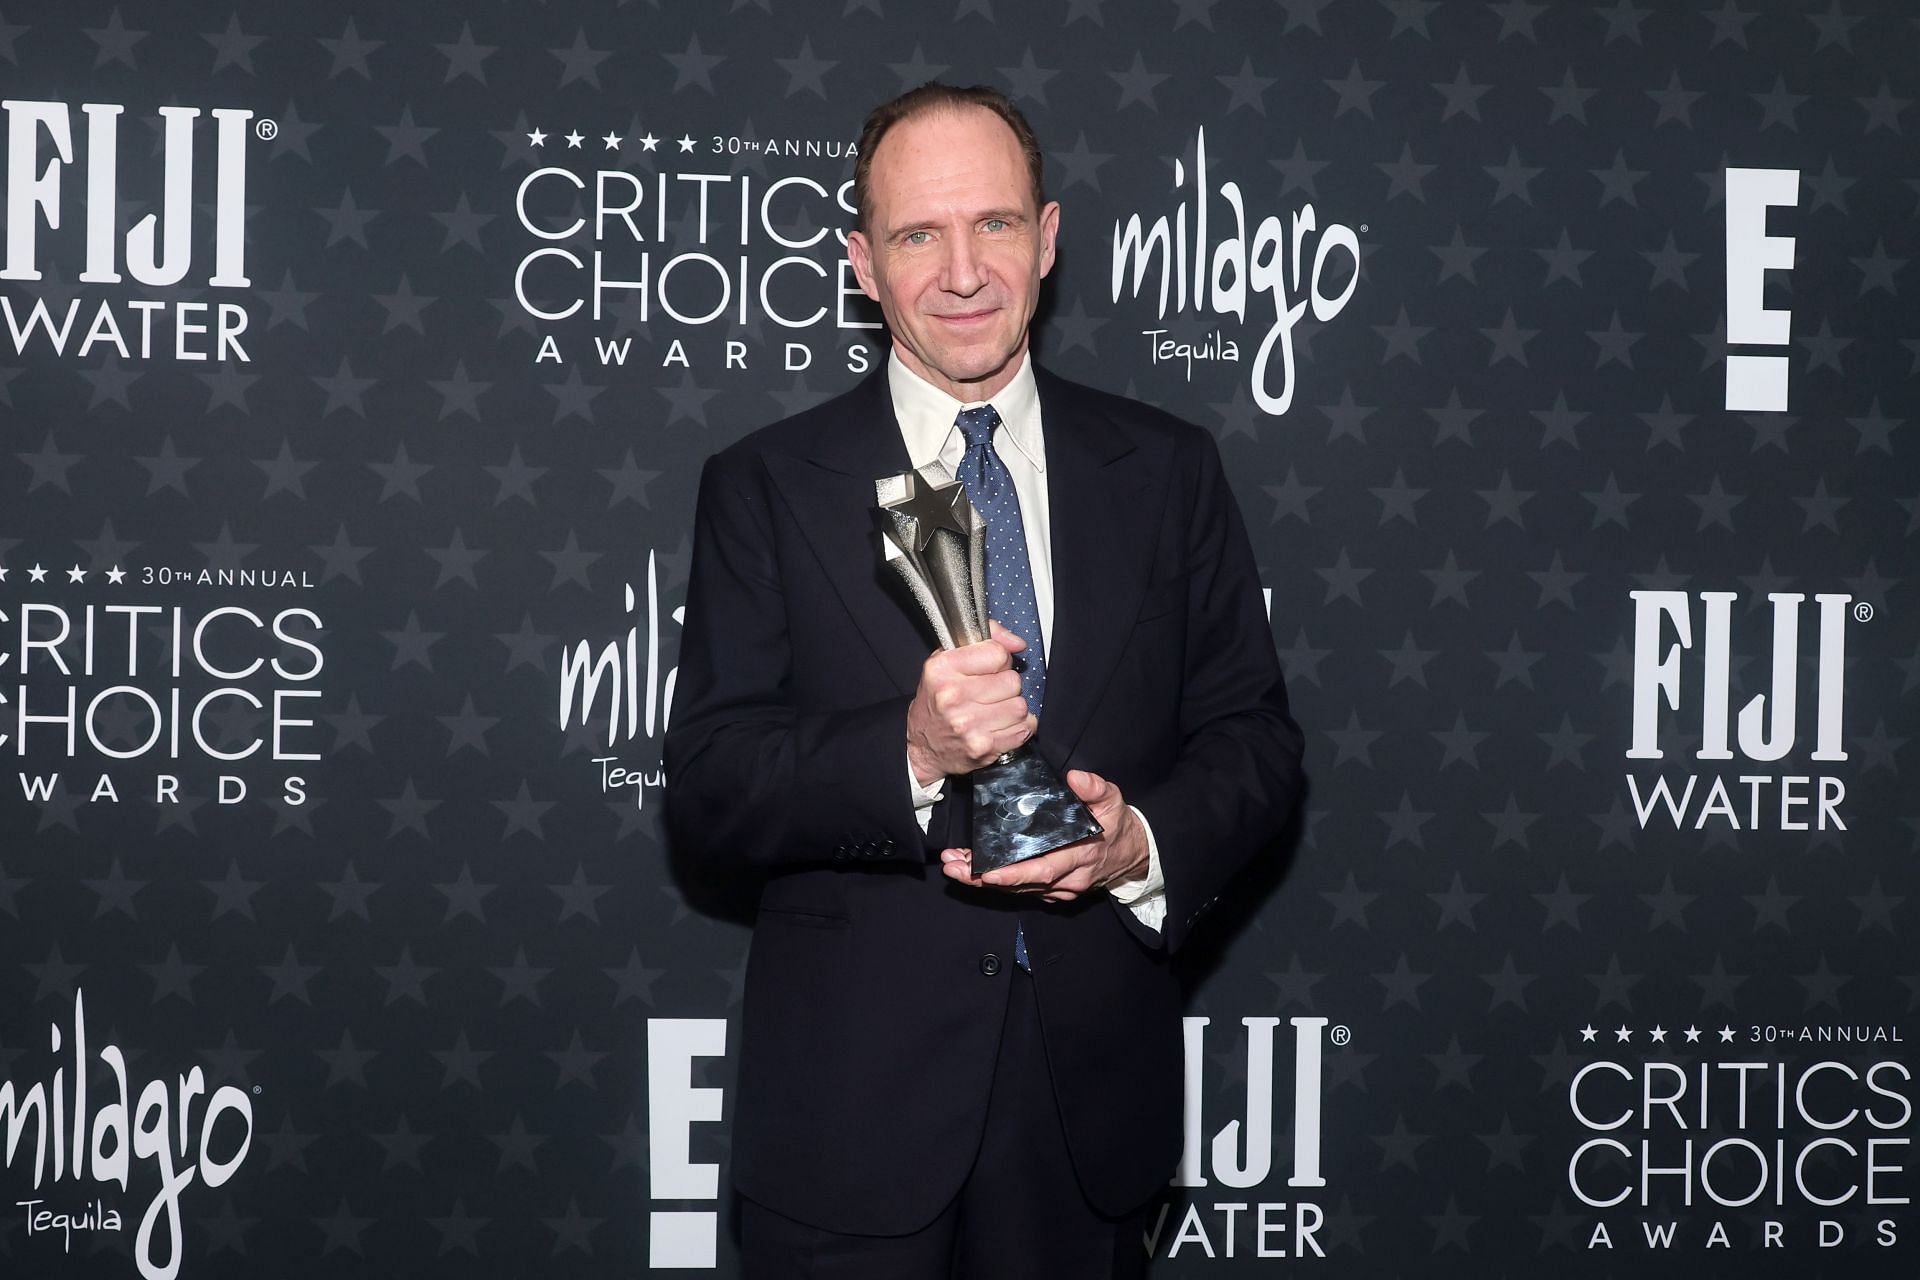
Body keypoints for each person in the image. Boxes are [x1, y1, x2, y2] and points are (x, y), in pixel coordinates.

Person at [663, 83, 1303, 1279]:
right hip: (852, 1119)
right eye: (918, 235)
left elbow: (1257, 742)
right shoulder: (765, 483)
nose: (963, 271)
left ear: (1049, 238)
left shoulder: (1166, 469)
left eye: (995, 226)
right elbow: (708, 782)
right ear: (861, 262)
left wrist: (1138, 844)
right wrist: (906, 748)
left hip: (1090, 1107)